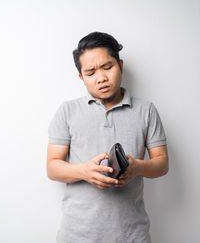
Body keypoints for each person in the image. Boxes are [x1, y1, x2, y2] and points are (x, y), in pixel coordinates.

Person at [47, 31, 168, 243]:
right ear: (81, 77)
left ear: (120, 65)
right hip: (77, 235)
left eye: (107, 67)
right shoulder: (67, 111)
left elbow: (162, 164)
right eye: (90, 72)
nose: (101, 78)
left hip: (132, 235)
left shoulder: (146, 110)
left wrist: (135, 167)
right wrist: (85, 171)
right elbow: (52, 167)